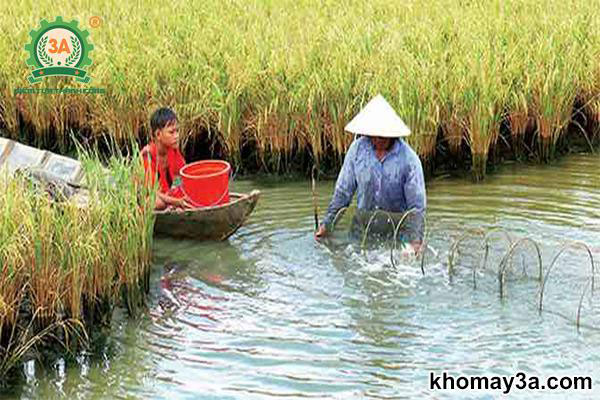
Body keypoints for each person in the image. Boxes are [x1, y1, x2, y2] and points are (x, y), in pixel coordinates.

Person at [315, 94, 426, 254]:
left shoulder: (409, 160)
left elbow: (416, 206)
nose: (379, 139)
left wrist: (415, 240)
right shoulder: (357, 151)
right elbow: (343, 193)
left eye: (383, 135)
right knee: (354, 265)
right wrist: (327, 225)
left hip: (396, 232)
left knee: (397, 269)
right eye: (375, 134)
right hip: (362, 229)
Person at [142, 107, 192, 210]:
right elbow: (152, 193)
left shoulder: (172, 151)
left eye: (177, 131)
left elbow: (183, 175)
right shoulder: (147, 156)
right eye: (171, 132)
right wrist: (177, 202)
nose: (177, 136)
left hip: (165, 194)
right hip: (145, 200)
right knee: (158, 203)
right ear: (158, 134)